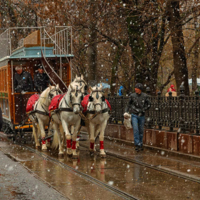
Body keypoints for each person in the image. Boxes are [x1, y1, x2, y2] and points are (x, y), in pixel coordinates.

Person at [124, 83, 151, 152]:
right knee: (136, 129)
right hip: (134, 115)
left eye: (136, 88)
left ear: (140, 89)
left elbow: (149, 104)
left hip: (141, 115)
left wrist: (143, 109)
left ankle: (140, 144)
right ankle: (137, 144)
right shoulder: (132, 96)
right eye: (135, 88)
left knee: (141, 130)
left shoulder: (145, 96)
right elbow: (128, 104)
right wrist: (126, 112)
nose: (135, 89)